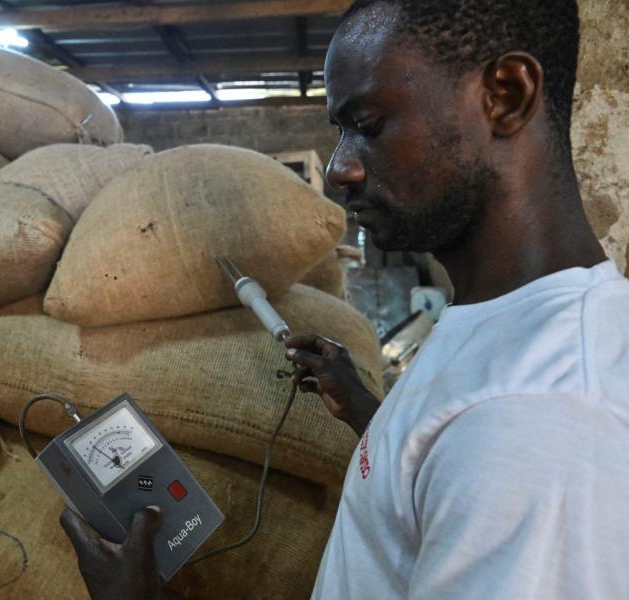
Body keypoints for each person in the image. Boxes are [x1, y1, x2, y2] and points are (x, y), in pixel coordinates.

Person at [59, 0, 629, 597]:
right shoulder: (510, 325)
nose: (339, 169)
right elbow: (447, 462)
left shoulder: (535, 423)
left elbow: (493, 445)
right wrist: (367, 413)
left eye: (370, 125)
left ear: (506, 95)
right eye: (341, 131)